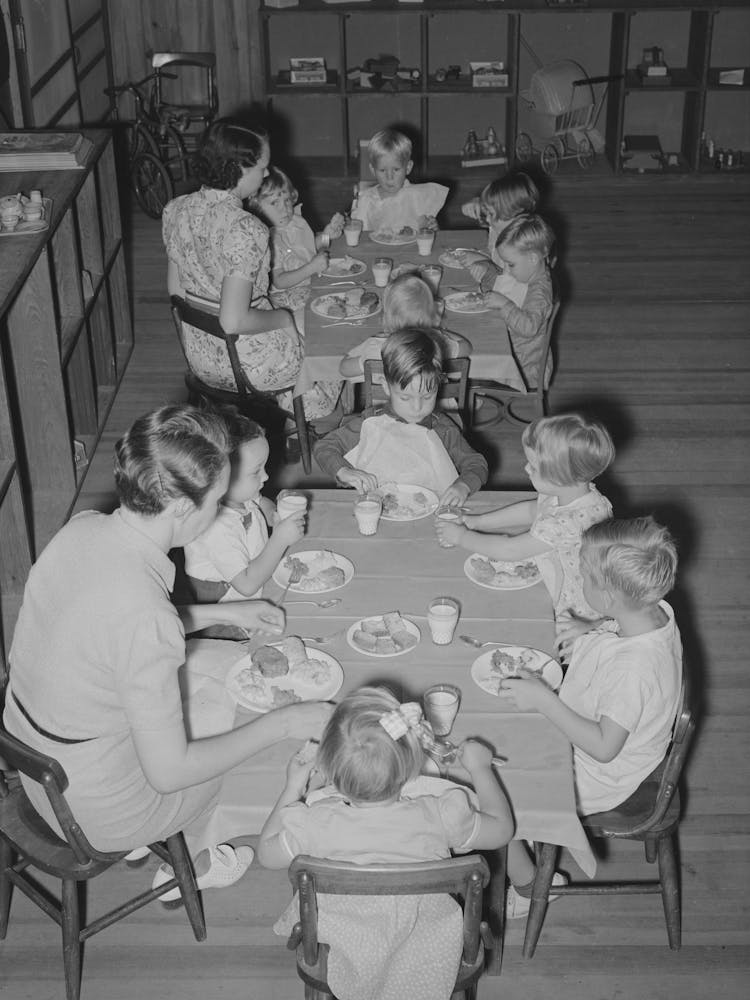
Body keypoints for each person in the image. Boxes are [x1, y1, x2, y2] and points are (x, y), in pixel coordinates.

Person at [2, 404, 331, 901]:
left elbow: (118, 629)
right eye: (217, 500)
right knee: (259, 738)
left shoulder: (83, 528)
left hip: (36, 768)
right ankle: (199, 859)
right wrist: (283, 725)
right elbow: (171, 771)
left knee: (228, 682)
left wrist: (232, 613)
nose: (219, 510)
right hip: (95, 810)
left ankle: (164, 843)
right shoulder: (146, 617)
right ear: (181, 508)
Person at [258, 686, 514, 1000]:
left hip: (344, 938)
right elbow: (503, 830)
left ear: (327, 771)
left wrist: (293, 787)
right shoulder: (440, 815)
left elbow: (266, 854)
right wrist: (481, 768)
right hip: (426, 940)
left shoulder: (314, 823)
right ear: (412, 767)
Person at [500, 516, 683, 917]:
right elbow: (623, 618)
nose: (579, 579)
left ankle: (529, 884)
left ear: (609, 595)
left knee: (495, 792)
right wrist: (593, 624)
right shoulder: (653, 611)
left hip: (601, 774)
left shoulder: (634, 671)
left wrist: (545, 701)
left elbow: (603, 747)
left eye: (583, 575)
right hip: (630, 746)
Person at [162, 117, 341, 431]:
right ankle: (310, 414)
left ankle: (281, 415)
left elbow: (176, 291)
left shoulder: (175, 209)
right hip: (248, 363)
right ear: (239, 168)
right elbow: (233, 321)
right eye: (262, 167)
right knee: (335, 330)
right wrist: (283, 319)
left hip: (200, 356)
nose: (267, 174)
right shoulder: (246, 228)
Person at [436, 413, 614, 621]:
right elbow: (531, 511)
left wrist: (461, 537)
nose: (526, 468)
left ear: (560, 476)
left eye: (534, 467)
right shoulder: (574, 493)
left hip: (579, 611)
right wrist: (478, 521)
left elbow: (509, 550)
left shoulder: (568, 523)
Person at [316, 327, 488, 507]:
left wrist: (463, 486)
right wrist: (343, 471)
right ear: (386, 386)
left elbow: (477, 464)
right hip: (376, 508)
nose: (417, 407)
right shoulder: (371, 422)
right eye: (405, 398)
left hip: (431, 510)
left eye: (427, 397)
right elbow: (325, 447)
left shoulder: (442, 428)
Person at [183, 407, 305, 607]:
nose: (266, 476)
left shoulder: (237, 494)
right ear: (222, 476)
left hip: (256, 575)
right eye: (256, 471)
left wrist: (275, 514)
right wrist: (279, 539)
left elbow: (260, 502)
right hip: (228, 604)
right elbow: (246, 585)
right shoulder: (216, 527)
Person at [473, 213, 557, 390]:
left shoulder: (539, 292)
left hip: (522, 367)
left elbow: (529, 327)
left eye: (511, 264)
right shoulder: (531, 273)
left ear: (533, 258)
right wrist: (487, 272)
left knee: (469, 358)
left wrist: (505, 304)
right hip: (511, 348)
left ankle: (470, 396)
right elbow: (505, 283)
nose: (508, 270)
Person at [339, 273, 471, 383]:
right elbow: (466, 347)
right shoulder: (439, 344)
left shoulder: (376, 347)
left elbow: (344, 369)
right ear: (431, 312)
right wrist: (440, 331)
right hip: (433, 406)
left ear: (386, 316)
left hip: (386, 407)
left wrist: (350, 356)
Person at [252, 166, 345, 313]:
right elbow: (279, 281)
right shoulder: (267, 238)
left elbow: (307, 248)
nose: (284, 208)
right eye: (274, 203)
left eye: (287, 200)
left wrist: (327, 235)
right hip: (285, 301)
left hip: (310, 284)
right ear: (257, 206)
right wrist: (311, 268)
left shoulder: (296, 222)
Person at [350, 128, 448, 233]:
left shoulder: (418, 197)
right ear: (373, 170)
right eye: (382, 170)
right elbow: (357, 235)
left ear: (408, 167)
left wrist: (433, 228)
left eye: (396, 170)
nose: (389, 177)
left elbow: (431, 235)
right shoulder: (367, 201)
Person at [459, 169, 540, 270]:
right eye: (487, 212)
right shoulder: (506, 225)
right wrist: (479, 203)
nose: (487, 219)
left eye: (491, 214)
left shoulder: (521, 248)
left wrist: (483, 260)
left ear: (514, 216)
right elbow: (493, 253)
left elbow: (507, 277)